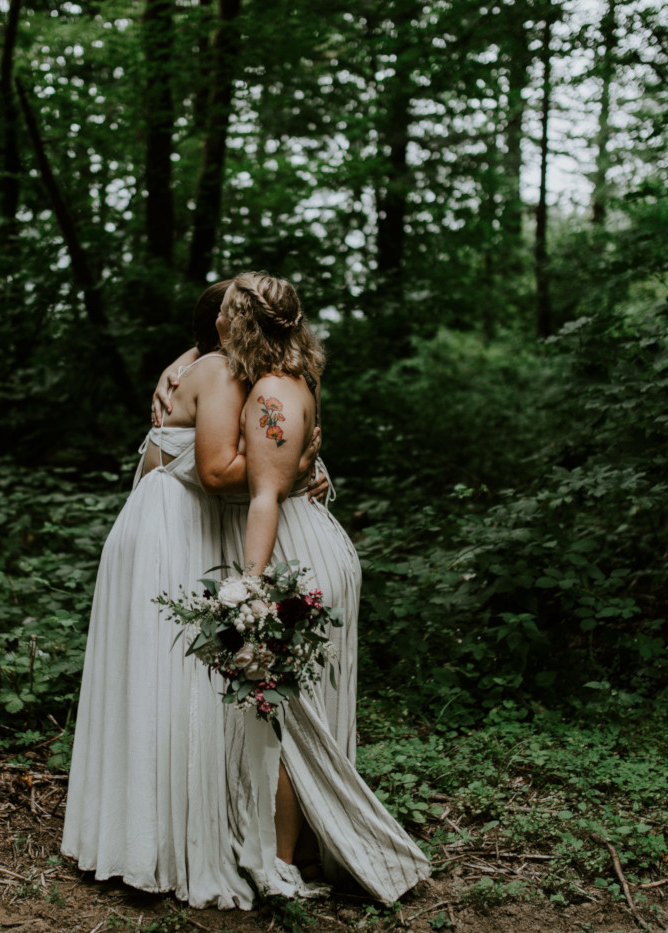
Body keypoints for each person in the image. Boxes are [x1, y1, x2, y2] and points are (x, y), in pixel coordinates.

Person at [61, 282, 322, 910]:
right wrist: (297, 470)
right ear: (231, 327)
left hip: (156, 524)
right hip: (169, 530)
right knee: (170, 678)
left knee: (156, 673)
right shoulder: (221, 372)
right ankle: (162, 844)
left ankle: (132, 836)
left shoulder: (201, 368)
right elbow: (217, 471)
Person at [214, 271, 431, 903]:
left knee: (284, 713)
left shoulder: (270, 396)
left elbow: (263, 496)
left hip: (294, 554)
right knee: (300, 707)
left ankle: (282, 863)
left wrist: (249, 590)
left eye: (227, 312)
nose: (220, 323)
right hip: (318, 541)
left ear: (243, 324)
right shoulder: (296, 380)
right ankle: (304, 846)